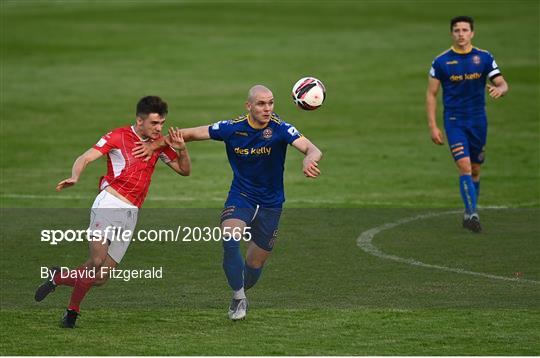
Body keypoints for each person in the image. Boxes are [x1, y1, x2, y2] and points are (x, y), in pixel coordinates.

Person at [134, 85, 323, 320]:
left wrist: (309, 160)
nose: (267, 109)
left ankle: (243, 286)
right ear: (249, 106)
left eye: (271, 103)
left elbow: (313, 149)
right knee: (230, 238)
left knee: (254, 266)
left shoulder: (281, 128)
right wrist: (153, 145)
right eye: (261, 104)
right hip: (241, 196)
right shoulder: (231, 128)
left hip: (271, 204)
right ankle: (238, 297)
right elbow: (189, 134)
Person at [34, 96, 191, 328]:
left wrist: (183, 150)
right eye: (154, 123)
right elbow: (86, 156)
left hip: (131, 214)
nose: (159, 129)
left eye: (162, 123)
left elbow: (184, 170)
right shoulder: (118, 136)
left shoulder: (159, 145)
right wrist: (75, 176)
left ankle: (57, 277)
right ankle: (71, 314)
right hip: (109, 204)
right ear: (140, 120)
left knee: (100, 277)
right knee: (96, 261)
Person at [426, 16, 508, 233]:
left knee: (476, 169)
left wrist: (500, 89)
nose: (461, 34)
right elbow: (432, 94)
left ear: (472, 33)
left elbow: (501, 82)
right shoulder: (441, 62)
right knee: (464, 165)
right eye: (456, 30)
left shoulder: (484, 58)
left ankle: (468, 211)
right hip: (454, 122)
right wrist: (433, 126)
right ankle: (472, 214)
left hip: (478, 121)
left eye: (465, 30)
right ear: (451, 34)